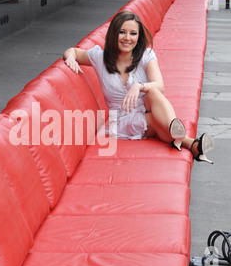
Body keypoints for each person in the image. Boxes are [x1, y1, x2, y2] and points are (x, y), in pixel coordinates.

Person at [63, 10, 214, 163]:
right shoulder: (99, 58)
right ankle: (188, 142)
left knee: (153, 93)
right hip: (122, 120)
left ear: (139, 36)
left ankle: (180, 137)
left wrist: (138, 86)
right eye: (122, 32)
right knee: (157, 121)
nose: (127, 38)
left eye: (133, 33)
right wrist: (70, 58)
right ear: (113, 34)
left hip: (145, 109)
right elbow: (72, 51)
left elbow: (159, 85)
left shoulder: (146, 56)